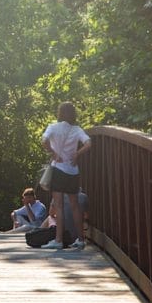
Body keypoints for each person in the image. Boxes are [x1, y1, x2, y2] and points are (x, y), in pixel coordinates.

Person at [39, 102, 91, 249]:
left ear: (60, 113)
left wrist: (53, 152)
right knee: (75, 206)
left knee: (59, 206)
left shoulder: (53, 127)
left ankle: (58, 240)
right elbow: (88, 143)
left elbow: (44, 140)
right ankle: (81, 239)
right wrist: (77, 154)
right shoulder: (76, 129)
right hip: (73, 171)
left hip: (58, 170)